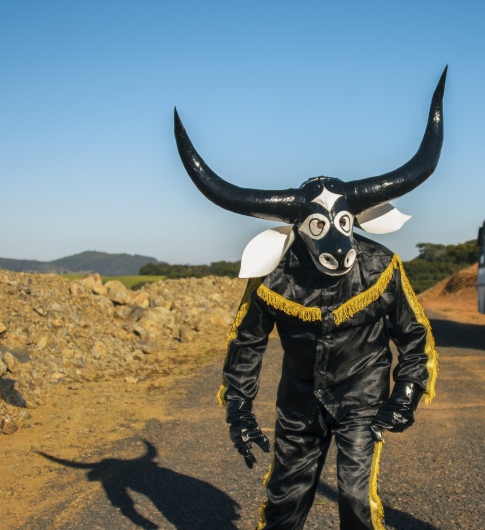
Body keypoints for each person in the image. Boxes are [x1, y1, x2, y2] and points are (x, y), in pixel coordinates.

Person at [174, 67, 446, 530]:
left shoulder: (380, 266)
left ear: (355, 223)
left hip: (362, 395)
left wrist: (406, 390)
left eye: (343, 224)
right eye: (319, 226)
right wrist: (239, 409)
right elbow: (247, 343)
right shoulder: (273, 275)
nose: (336, 243)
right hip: (299, 400)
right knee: (286, 501)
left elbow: (413, 335)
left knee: (356, 498)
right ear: (299, 230)